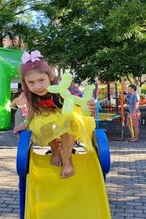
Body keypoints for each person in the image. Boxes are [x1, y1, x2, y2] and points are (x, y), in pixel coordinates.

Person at [13, 50, 96, 178]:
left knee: (66, 124)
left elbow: (81, 100)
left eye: (41, 80)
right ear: (25, 82)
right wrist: (24, 124)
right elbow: (32, 110)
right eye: (31, 82)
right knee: (41, 123)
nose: (37, 86)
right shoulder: (31, 94)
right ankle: (56, 150)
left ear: (50, 77)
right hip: (47, 115)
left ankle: (67, 158)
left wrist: (89, 106)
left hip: (66, 113)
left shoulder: (62, 88)